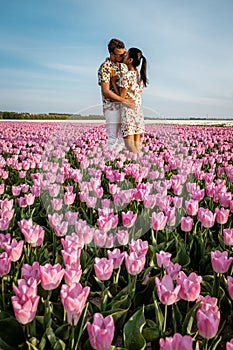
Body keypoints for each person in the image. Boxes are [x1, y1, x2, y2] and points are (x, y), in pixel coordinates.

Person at [98, 38, 134, 151]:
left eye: (124, 54)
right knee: (113, 137)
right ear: (111, 53)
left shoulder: (123, 66)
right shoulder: (104, 68)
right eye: (119, 55)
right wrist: (124, 101)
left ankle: (121, 165)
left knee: (123, 139)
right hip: (111, 107)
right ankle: (110, 162)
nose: (122, 57)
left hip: (125, 108)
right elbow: (106, 92)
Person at [111, 47, 148, 153]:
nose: (124, 56)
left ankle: (136, 167)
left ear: (130, 60)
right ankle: (139, 167)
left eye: (126, 55)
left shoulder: (127, 76)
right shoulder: (140, 75)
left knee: (129, 145)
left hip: (128, 112)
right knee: (137, 145)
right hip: (138, 111)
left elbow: (121, 97)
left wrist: (113, 82)